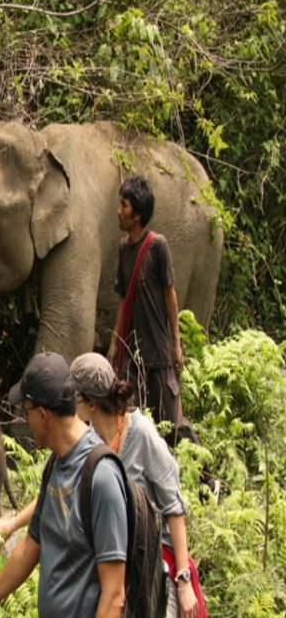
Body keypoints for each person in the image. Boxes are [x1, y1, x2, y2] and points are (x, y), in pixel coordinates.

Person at [0, 352, 211, 618]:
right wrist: (13, 525)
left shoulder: (121, 453)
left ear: (87, 402)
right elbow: (61, 501)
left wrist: (183, 578)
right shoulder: (71, 452)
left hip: (156, 563)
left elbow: (173, 510)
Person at [0, 352, 127, 618]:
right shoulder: (56, 463)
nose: (25, 418)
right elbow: (31, 545)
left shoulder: (101, 478)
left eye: (25, 410)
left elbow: (114, 596)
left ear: (42, 414)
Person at [107, 175, 198, 446]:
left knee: (172, 423)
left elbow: (170, 296)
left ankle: (207, 481)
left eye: (123, 205)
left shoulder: (158, 246)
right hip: (131, 355)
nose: (118, 211)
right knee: (129, 421)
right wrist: (115, 343)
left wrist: (176, 343)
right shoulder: (123, 249)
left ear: (138, 213)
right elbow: (123, 300)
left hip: (158, 353)